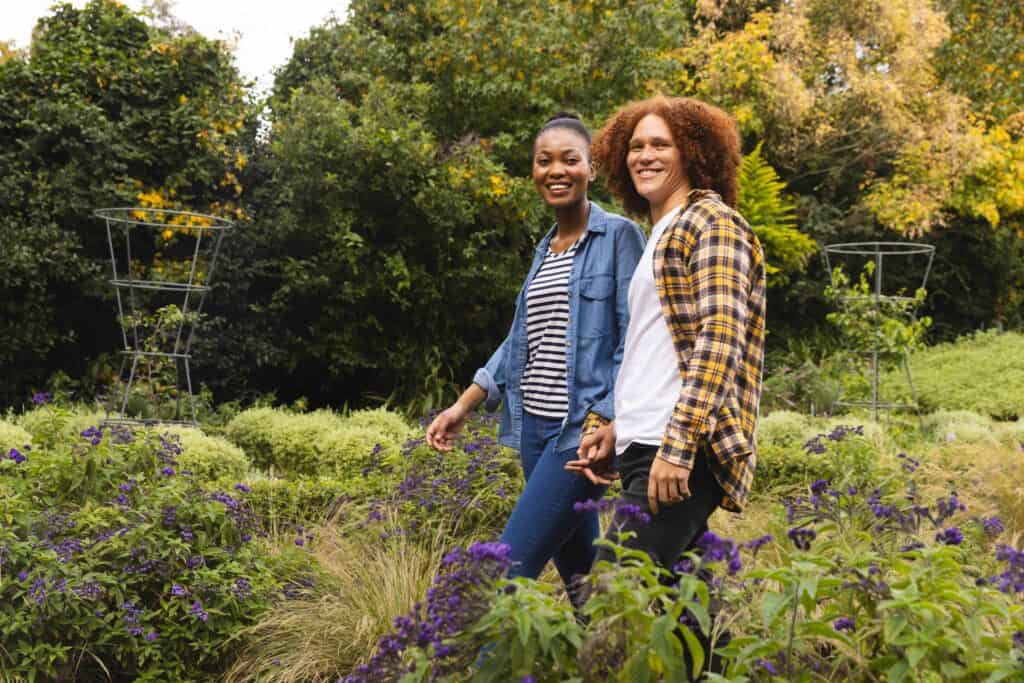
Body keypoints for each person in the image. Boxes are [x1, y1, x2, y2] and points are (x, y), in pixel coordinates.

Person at [425, 112, 645, 605]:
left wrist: (605, 419)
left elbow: (635, 340)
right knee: (583, 579)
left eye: (570, 159)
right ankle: (609, 660)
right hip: (533, 431)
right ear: (533, 172)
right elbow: (518, 342)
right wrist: (462, 406)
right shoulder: (544, 250)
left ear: (590, 169)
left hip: (578, 436)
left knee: (504, 574)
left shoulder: (619, 238)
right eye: (544, 161)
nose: (556, 170)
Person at [567, 95, 766, 581]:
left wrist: (678, 446)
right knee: (684, 617)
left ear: (693, 154)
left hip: (678, 448)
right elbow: (655, 353)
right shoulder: (659, 233)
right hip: (646, 442)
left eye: (661, 144)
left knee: (611, 605)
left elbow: (719, 341)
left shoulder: (711, 223)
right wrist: (617, 427)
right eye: (636, 146)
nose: (645, 155)